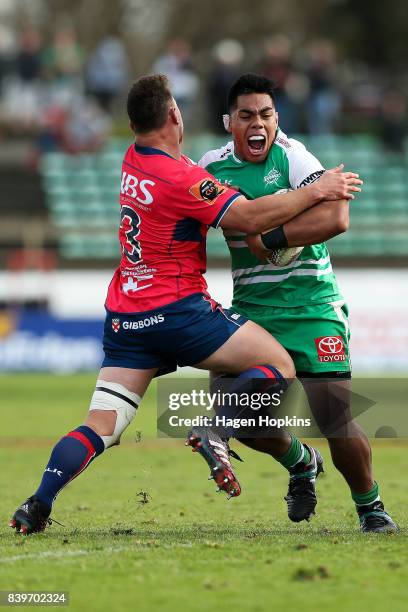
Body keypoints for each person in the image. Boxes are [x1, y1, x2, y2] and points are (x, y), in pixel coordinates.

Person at [9, 74, 360, 535]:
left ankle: (36, 504)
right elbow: (250, 217)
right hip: (178, 311)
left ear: (134, 125)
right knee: (277, 365)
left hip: (126, 316)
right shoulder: (183, 177)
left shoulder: (133, 159)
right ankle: (214, 429)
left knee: (102, 425)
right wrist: (317, 189)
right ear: (175, 115)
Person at [198, 73, 397, 533]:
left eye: (266, 114)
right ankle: (300, 462)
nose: (258, 123)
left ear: (276, 118)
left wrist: (272, 236)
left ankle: (371, 507)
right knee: (236, 417)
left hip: (311, 307)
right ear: (230, 122)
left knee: (334, 417)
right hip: (253, 311)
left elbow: (337, 214)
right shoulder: (211, 166)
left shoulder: (293, 155)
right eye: (247, 115)